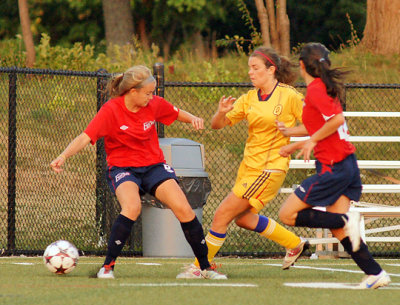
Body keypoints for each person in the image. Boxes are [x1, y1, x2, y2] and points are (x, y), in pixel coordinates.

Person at [50, 65, 226, 280]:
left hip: (154, 166)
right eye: (148, 93)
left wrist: (193, 119)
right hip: (123, 168)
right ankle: (107, 268)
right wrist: (63, 156)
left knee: (184, 209)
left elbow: (176, 113)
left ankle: (205, 268)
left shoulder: (154, 104)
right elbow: (85, 137)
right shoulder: (111, 110)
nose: (151, 97)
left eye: (153, 93)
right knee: (131, 208)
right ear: (133, 91)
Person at [177, 46, 308, 279]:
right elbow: (217, 125)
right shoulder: (249, 98)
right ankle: (295, 243)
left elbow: (314, 123)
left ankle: (200, 266)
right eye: (249, 68)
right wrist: (220, 112)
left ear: (271, 70)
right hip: (249, 169)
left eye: (255, 68)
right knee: (244, 219)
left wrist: (291, 134)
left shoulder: (289, 95)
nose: (250, 72)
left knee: (222, 215)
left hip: (270, 168)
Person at [277, 42, 391, 289]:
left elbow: (337, 119)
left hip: (334, 167)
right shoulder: (321, 89)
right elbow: (318, 125)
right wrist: (292, 139)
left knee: (287, 214)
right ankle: (375, 273)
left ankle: (345, 219)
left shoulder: (317, 90)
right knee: (340, 229)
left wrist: (312, 141)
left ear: (301, 65)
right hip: (345, 165)